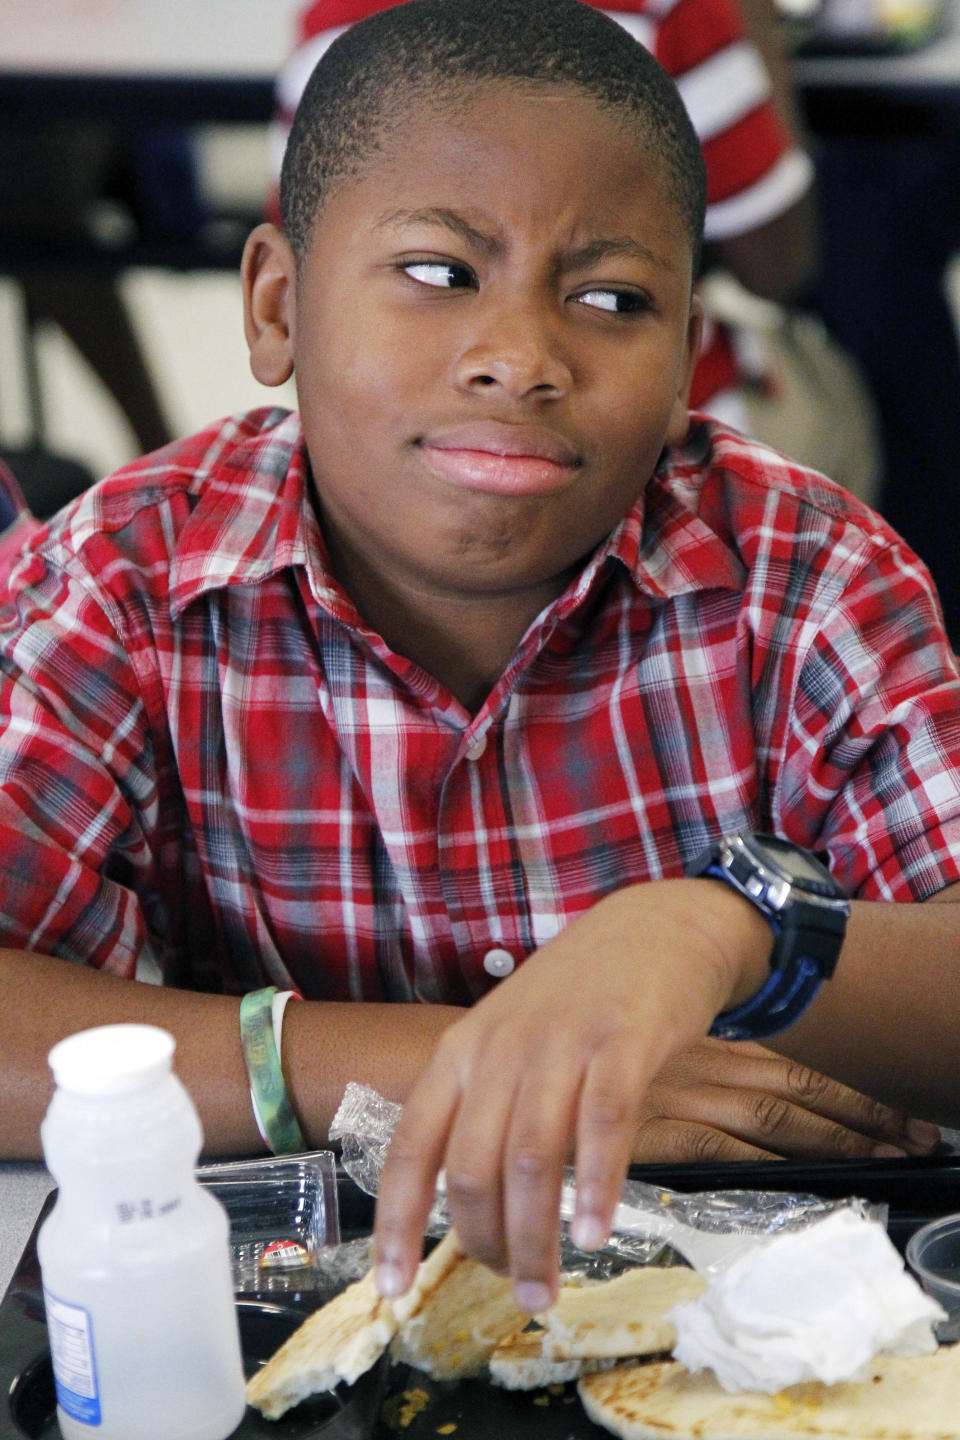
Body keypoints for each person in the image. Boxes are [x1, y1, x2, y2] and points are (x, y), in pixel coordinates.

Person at [0, 0, 958, 1314]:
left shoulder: (806, 580)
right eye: (441, 273)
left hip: (759, 1330)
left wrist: (730, 935)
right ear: (278, 305)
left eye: (612, 299)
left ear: (686, 360)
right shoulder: (122, 584)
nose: (521, 358)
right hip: (300, 1300)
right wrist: (451, 1070)